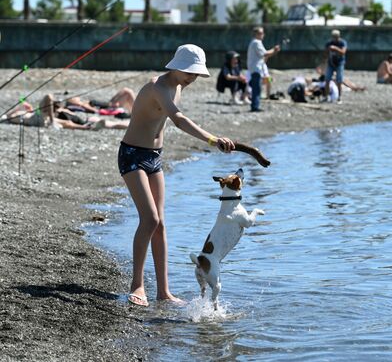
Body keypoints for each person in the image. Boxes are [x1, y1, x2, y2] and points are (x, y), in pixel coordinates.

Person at [119, 44, 235, 307]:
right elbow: (179, 120)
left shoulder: (178, 87)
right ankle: (137, 284)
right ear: (177, 66)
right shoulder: (157, 87)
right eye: (189, 73)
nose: (192, 78)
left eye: (196, 75)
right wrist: (212, 139)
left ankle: (163, 291)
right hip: (132, 155)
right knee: (149, 219)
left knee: (160, 224)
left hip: (154, 158)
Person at [247, 26, 280, 112]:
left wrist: (274, 51)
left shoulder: (255, 43)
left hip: (256, 69)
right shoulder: (256, 42)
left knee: (255, 86)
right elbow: (265, 54)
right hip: (256, 69)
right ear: (256, 34)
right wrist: (274, 49)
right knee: (257, 89)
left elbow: (265, 55)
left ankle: (253, 103)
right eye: (261, 33)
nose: (263, 35)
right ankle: (255, 107)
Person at [66, 87, 136, 116]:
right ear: (74, 102)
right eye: (74, 98)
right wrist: (97, 111)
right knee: (127, 92)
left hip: (108, 104)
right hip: (109, 106)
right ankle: (136, 112)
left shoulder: (84, 103)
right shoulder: (82, 105)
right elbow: (95, 111)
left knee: (126, 91)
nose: (76, 97)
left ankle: (133, 112)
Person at [324, 29, 347, 103]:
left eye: (336, 37)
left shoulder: (342, 43)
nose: (334, 38)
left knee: (339, 80)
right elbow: (325, 53)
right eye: (333, 37)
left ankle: (339, 98)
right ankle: (327, 97)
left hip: (340, 63)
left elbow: (343, 52)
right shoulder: (329, 43)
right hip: (331, 63)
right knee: (327, 79)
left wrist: (335, 48)